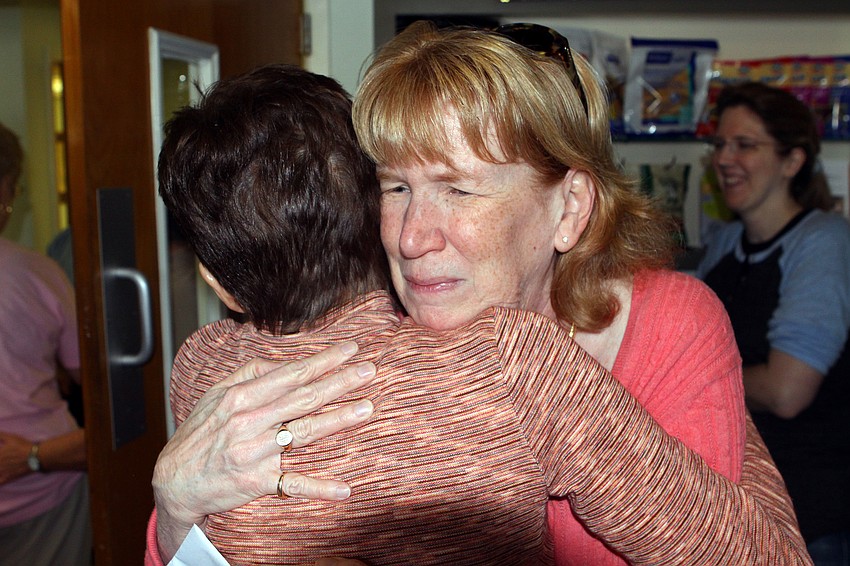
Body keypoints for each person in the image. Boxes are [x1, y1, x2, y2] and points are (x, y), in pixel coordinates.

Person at [148, 23, 810, 565]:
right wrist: (176, 510)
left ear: (569, 208)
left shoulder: (664, 324)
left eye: (459, 189)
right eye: (395, 187)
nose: (410, 238)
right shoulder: (344, 337)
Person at [698, 81, 850, 564]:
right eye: (720, 144)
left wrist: (694, 381)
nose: (724, 159)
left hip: (811, 511)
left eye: (745, 145)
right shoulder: (725, 242)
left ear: (792, 161)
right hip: (742, 507)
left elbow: (787, 391)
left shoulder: (823, 241)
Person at [0, 122, 90, 564]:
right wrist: (35, 456)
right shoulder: (37, 273)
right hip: (41, 490)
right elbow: (94, 385)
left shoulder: (48, 263)